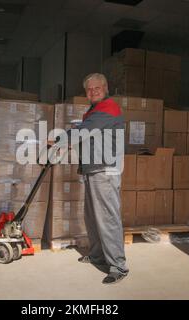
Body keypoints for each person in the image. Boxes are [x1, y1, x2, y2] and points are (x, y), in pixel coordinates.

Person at [54, 73, 128, 284]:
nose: (93, 91)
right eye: (89, 89)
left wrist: (59, 141)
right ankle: (98, 256)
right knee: (93, 217)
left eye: (97, 88)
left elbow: (83, 132)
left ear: (105, 88)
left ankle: (118, 266)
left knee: (107, 218)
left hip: (104, 171)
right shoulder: (93, 111)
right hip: (93, 169)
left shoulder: (108, 108)